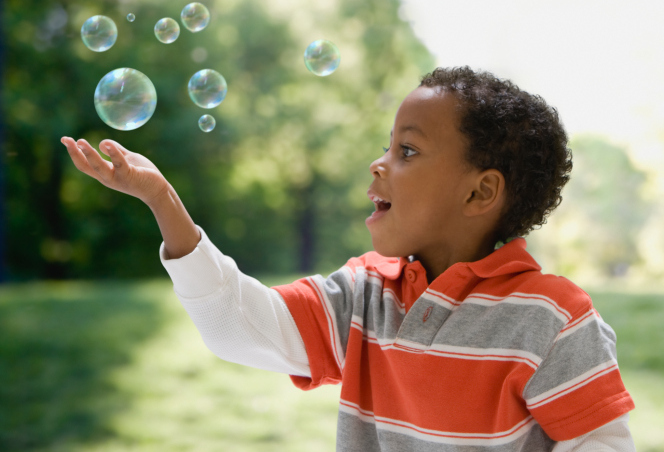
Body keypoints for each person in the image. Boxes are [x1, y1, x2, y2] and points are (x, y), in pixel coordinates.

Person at [61, 66, 636, 451]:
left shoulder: (554, 319)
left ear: (480, 193)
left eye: (407, 150)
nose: (378, 163)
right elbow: (236, 328)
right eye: (386, 145)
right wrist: (162, 200)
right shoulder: (363, 293)